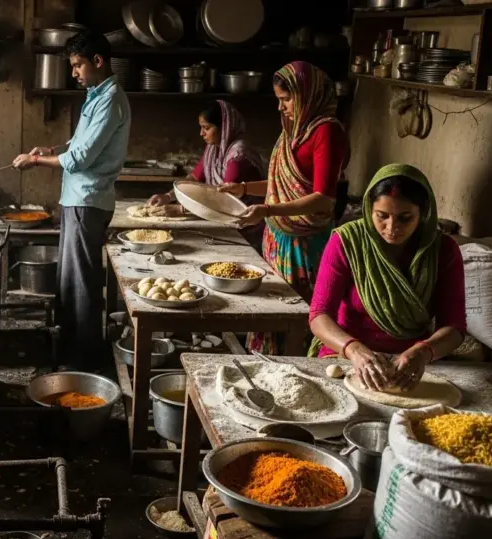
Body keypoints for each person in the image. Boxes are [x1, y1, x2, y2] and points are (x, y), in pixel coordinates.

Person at [12, 31, 131, 371]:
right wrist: (51, 150)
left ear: (98, 61)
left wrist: (34, 162)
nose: (75, 73)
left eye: (78, 66)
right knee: (70, 278)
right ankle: (69, 348)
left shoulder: (111, 100)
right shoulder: (97, 95)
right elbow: (77, 143)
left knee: (81, 283)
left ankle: (84, 359)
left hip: (87, 201)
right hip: (78, 200)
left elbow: (80, 159)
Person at [225, 61, 349, 354]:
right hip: (277, 238)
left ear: (309, 94)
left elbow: (324, 198)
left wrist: (266, 210)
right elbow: (275, 186)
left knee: (295, 315)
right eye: (278, 100)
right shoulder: (292, 132)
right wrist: (242, 189)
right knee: (270, 309)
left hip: (304, 244)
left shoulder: (327, 132)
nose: (281, 107)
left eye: (286, 99)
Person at [309, 164, 465, 392]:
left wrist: (422, 352)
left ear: (423, 214)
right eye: (382, 216)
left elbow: (454, 326)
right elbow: (319, 314)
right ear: (369, 209)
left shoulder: (442, 250)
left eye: (405, 218)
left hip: (410, 364)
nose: (392, 227)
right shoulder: (347, 243)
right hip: (346, 354)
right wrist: (354, 350)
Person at [147, 100, 266, 250]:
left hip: (247, 229)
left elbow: (222, 200)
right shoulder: (214, 150)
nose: (201, 133)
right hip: (225, 225)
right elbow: (194, 179)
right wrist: (168, 196)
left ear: (224, 127)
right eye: (201, 128)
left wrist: (181, 210)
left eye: (206, 128)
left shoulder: (238, 155)